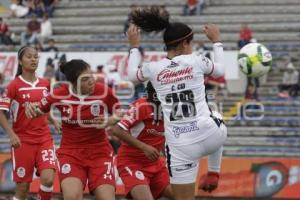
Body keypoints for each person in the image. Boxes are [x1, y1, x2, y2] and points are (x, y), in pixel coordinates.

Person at [124, 7, 227, 200]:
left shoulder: (152, 68)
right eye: (191, 43)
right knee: (216, 115)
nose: (192, 47)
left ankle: (212, 171)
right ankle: (214, 170)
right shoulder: (197, 61)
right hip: (210, 134)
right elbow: (220, 71)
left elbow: (130, 75)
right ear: (184, 44)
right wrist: (217, 41)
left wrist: (134, 46)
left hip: (181, 145)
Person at [25, 59, 120, 200]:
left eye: (92, 76)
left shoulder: (104, 91)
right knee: (72, 197)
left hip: (100, 152)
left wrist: (109, 120)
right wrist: (30, 107)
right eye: (85, 79)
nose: (92, 81)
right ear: (74, 83)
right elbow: (39, 109)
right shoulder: (59, 94)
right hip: (71, 153)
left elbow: (120, 112)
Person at [0, 46, 57, 200]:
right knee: (23, 188)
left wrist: (53, 120)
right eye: (29, 57)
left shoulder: (45, 83)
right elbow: (1, 112)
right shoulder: (14, 86)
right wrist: (11, 135)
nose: (33, 59)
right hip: (22, 141)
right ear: (20, 61)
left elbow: (45, 107)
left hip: (44, 138)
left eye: (36, 57)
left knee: (48, 179)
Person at [111, 81, 173, 200]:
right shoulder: (141, 106)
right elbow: (117, 130)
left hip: (156, 163)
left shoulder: (172, 109)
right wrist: (144, 147)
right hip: (132, 162)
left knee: (181, 196)